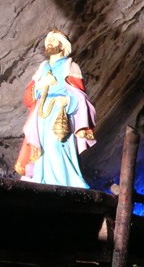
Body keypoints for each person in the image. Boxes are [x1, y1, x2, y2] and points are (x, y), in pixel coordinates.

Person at [14, 29, 96, 188]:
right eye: (48, 41)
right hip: (41, 113)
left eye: (53, 41)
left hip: (60, 112)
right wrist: (42, 84)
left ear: (62, 45)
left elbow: (80, 94)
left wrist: (67, 101)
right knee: (41, 148)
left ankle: (63, 182)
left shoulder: (70, 66)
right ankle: (41, 179)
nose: (49, 43)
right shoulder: (43, 67)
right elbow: (29, 94)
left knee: (56, 145)